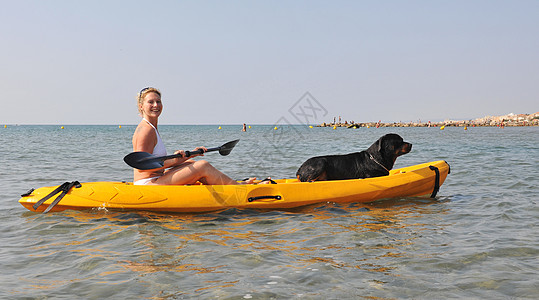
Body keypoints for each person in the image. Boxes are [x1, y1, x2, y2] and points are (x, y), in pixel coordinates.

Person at [132, 87, 257, 185]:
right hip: (148, 183)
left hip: (156, 177)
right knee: (202, 165)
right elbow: (142, 168)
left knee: (191, 162)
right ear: (141, 106)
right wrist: (176, 160)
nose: (156, 105)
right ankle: (238, 188)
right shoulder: (146, 130)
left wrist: (191, 154)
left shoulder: (150, 127)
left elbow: (156, 163)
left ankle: (223, 186)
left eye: (158, 101)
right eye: (151, 102)